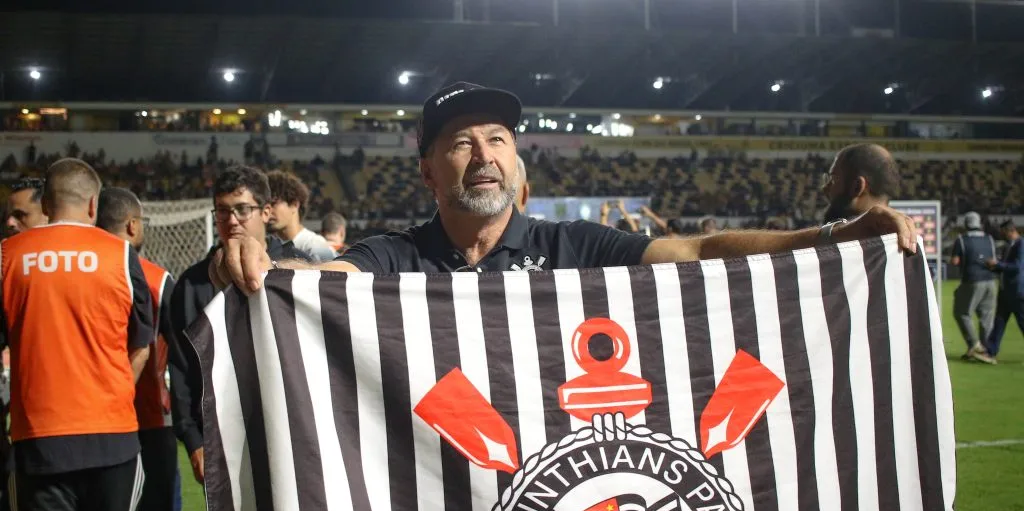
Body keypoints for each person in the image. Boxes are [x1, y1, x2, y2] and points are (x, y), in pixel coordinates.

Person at [210, 81, 918, 292]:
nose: (484, 154)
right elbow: (321, 277)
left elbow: (698, 253)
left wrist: (835, 233)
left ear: (517, 164)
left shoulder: (574, 245)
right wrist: (252, 259)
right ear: (427, 170)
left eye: (499, 140)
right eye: (460, 142)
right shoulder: (395, 258)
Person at [0, 158, 153, 511]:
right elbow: (142, 341)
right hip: (111, 439)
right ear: (94, 206)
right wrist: (111, 391)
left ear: (44, 205)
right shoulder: (120, 254)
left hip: (39, 440)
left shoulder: (8, 256)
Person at [96, 188, 214, 511]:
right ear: (132, 226)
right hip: (149, 422)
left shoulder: (70, 270)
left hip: (91, 425)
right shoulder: (155, 278)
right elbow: (184, 357)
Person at [170, 166, 306, 484]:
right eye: (223, 210)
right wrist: (194, 442)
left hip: (294, 434)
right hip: (222, 440)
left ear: (266, 211)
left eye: (242, 209)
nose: (231, 220)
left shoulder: (301, 271)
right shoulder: (191, 285)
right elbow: (181, 370)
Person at [950, 211, 998, 363]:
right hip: (991, 281)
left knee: (962, 312)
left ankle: (975, 345)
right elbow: (994, 259)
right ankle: (987, 351)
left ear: (966, 224)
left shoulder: (961, 240)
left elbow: (955, 261)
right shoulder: (989, 239)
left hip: (972, 280)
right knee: (986, 317)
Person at [266, 170, 337, 263]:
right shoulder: (268, 246)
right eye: (265, 205)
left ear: (294, 205)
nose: (268, 210)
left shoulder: (315, 246)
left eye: (273, 203)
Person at [820, 143, 900, 222]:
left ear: (857, 187)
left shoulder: (843, 234)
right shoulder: (896, 233)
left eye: (833, 179)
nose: (825, 188)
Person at [984, 221, 1023, 358]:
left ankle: (990, 351)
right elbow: (1006, 267)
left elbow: (1017, 267)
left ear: (1009, 231)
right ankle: (990, 351)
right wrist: (994, 267)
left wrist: (998, 264)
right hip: (1006, 292)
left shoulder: (1020, 244)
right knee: (999, 323)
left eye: (1003, 232)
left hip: (1017, 292)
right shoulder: (1009, 246)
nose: (1002, 235)